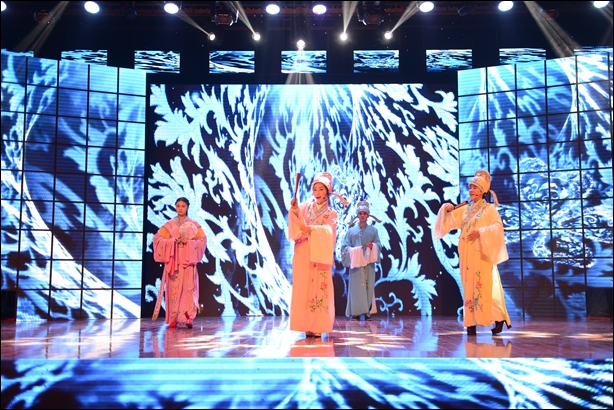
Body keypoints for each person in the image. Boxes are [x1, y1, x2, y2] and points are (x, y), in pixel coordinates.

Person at [433, 170, 512, 336]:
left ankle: (498, 318)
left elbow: (497, 227)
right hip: (467, 252)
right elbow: (449, 219)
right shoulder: (465, 209)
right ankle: (471, 322)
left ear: (482, 190)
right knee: (469, 286)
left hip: (482, 253)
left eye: (475, 187)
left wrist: (480, 232)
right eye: (470, 187)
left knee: (484, 286)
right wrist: (446, 208)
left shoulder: (490, 210)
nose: (471, 190)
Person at [288, 171, 347, 338]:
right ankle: (306, 324)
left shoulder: (331, 213)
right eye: (315, 189)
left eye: (321, 189)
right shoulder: (306, 206)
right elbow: (296, 218)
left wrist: (311, 229)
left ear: (327, 191)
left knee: (319, 288)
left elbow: (329, 232)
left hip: (320, 255)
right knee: (304, 287)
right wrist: (294, 208)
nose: (317, 193)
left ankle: (318, 324)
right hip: (304, 252)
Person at [153, 197, 207, 329]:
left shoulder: (193, 225)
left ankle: (189, 317)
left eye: (183, 206)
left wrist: (188, 242)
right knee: (174, 289)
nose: (180, 208)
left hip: (188, 261)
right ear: (175, 207)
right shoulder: (169, 225)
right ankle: (173, 318)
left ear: (187, 207)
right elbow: (157, 239)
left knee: (189, 288)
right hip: (174, 260)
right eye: (178, 206)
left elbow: (202, 240)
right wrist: (172, 241)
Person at [341, 200, 381, 321]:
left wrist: (373, 246)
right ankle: (355, 312)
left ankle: (367, 313)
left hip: (368, 263)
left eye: (365, 213)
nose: (362, 215)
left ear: (368, 215)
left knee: (368, 287)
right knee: (356, 288)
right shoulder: (351, 231)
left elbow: (379, 245)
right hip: (356, 264)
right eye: (360, 213)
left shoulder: (373, 231)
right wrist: (357, 250)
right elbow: (344, 247)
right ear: (357, 215)